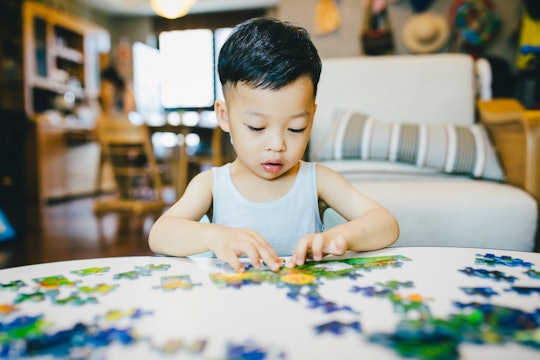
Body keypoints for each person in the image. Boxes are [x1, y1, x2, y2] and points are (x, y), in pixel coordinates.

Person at [148, 17, 399, 272]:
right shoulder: (211, 185)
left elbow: (385, 223)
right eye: (257, 128)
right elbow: (159, 235)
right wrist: (215, 236)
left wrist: (341, 237)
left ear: (311, 117)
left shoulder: (318, 180)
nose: (277, 145)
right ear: (224, 116)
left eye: (296, 129)